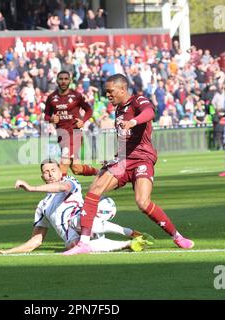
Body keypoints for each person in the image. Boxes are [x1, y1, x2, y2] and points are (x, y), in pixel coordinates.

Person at [63, 74, 194, 255]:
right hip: (123, 159)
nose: (107, 95)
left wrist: (132, 121)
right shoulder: (119, 109)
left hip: (142, 158)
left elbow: (149, 113)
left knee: (142, 202)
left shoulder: (137, 101)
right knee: (94, 190)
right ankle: (84, 243)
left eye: (110, 91)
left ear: (122, 89)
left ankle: (177, 236)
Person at [0, 159, 152, 255]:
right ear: (42, 176)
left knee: (76, 221)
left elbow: (63, 187)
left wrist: (32, 188)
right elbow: (36, 241)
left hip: (93, 217)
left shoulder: (71, 182)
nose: (50, 174)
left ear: (60, 172)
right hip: (77, 238)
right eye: (46, 172)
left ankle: (129, 232)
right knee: (74, 245)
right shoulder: (42, 207)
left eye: (53, 170)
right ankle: (129, 244)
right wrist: (8, 252)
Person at [44, 71, 97, 177]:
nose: (63, 81)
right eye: (61, 79)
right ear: (57, 80)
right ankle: (100, 172)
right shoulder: (51, 98)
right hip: (61, 135)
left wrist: (83, 120)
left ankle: (59, 190)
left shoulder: (77, 96)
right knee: (76, 169)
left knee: (64, 161)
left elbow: (89, 110)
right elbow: (46, 116)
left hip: (75, 133)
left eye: (66, 79)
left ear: (70, 80)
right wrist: (51, 119)